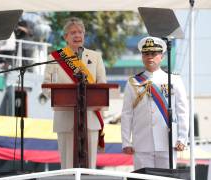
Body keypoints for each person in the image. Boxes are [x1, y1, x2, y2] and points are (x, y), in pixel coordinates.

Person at [42, 17, 106, 169]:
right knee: (67, 166)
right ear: (65, 37)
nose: (77, 35)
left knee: (89, 167)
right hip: (65, 117)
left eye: (80, 32)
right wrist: (63, 98)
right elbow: (46, 87)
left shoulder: (96, 57)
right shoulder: (54, 58)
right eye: (73, 32)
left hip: (90, 117)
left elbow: (102, 85)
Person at [121, 36, 189, 170]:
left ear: (162, 56)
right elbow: (127, 114)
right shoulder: (133, 82)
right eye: (146, 54)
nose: (149, 57)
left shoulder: (173, 80)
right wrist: (126, 142)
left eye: (154, 53)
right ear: (142, 57)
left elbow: (182, 111)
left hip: (167, 142)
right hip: (142, 142)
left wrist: (182, 138)